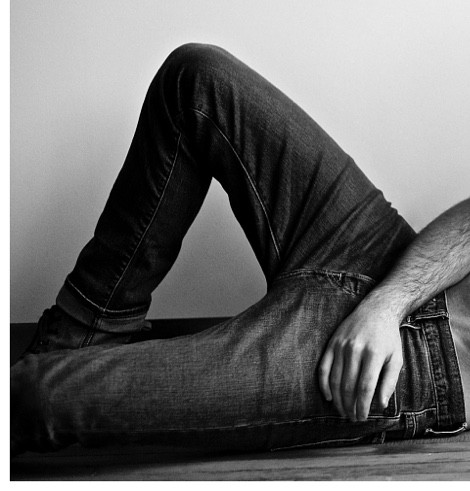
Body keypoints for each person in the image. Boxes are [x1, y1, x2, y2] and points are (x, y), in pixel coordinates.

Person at [10, 44, 469, 456]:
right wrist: (388, 302)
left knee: (34, 397)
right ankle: (81, 334)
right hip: (388, 255)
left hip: (414, 364)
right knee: (195, 80)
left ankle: (54, 370)